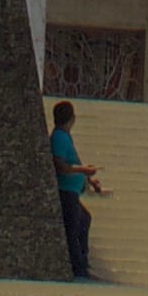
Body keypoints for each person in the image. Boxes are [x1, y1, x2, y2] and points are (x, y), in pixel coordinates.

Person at [46, 98, 105, 280]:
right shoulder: (59, 137)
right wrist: (83, 170)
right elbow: (61, 165)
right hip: (66, 190)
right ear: (71, 119)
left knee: (83, 220)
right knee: (74, 227)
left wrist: (89, 179)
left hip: (72, 189)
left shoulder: (64, 137)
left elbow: (73, 161)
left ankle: (81, 262)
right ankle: (77, 267)